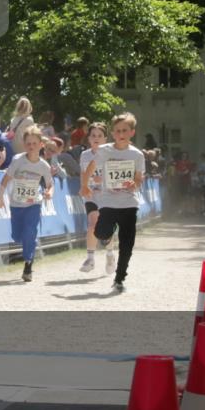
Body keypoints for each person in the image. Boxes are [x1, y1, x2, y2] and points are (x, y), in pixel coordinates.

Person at [81, 112, 145, 292]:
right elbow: (90, 168)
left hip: (129, 203)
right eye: (117, 131)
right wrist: (84, 185)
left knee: (127, 243)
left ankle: (119, 278)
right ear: (113, 133)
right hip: (108, 201)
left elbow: (139, 178)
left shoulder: (137, 155)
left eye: (125, 130)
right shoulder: (105, 150)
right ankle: (108, 237)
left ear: (132, 132)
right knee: (100, 232)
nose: (121, 134)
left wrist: (134, 183)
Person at [0, 125, 54, 282]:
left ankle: (28, 264)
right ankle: (29, 246)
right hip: (16, 204)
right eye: (28, 143)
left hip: (34, 204)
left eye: (35, 143)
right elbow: (5, 179)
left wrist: (49, 193)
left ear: (41, 145)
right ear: (24, 144)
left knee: (30, 231)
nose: (31, 147)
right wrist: (0, 197)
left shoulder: (44, 166)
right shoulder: (18, 160)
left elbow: (50, 184)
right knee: (17, 236)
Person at [78, 122, 108, 273]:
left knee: (106, 230)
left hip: (107, 196)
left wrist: (102, 179)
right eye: (93, 135)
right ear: (88, 138)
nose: (96, 138)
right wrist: (82, 186)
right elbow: (83, 173)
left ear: (105, 139)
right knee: (92, 224)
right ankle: (90, 259)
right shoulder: (85, 155)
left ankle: (110, 254)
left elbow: (115, 178)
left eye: (99, 136)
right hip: (91, 195)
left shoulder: (111, 154)